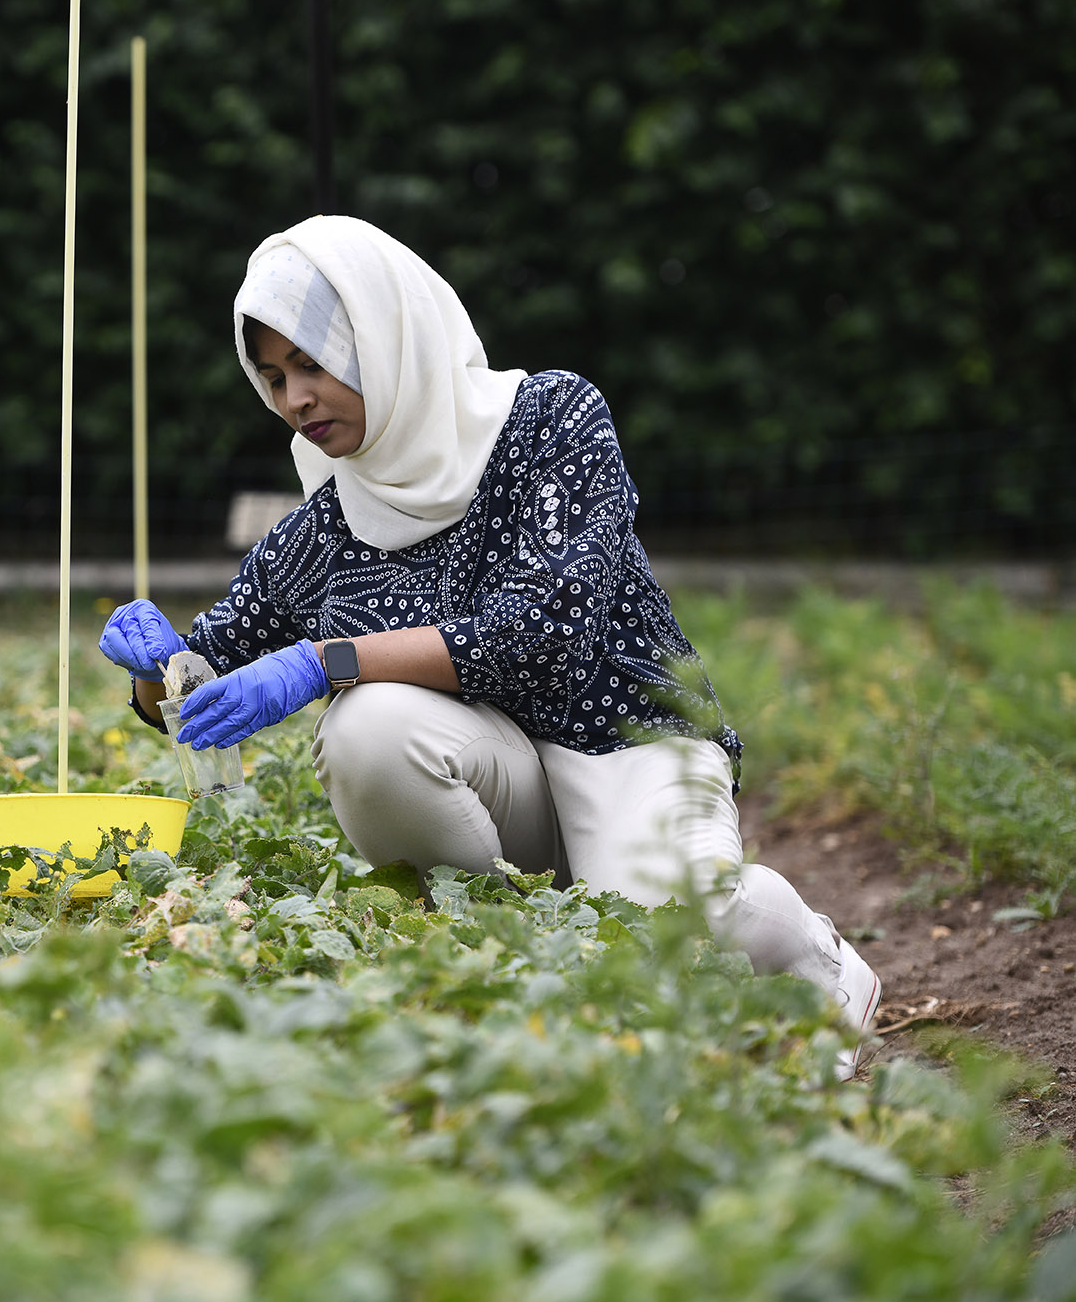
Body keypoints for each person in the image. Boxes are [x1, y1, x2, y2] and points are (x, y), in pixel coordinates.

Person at [100, 215, 882, 1080]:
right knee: (368, 729)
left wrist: (325, 659)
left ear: (382, 337)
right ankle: (511, 957)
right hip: (495, 781)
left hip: (628, 742)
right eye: (275, 377)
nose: (295, 400)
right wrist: (155, 670)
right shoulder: (324, 526)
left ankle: (820, 969)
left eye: (313, 364)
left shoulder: (551, 419)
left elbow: (544, 633)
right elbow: (202, 668)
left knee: (671, 937)